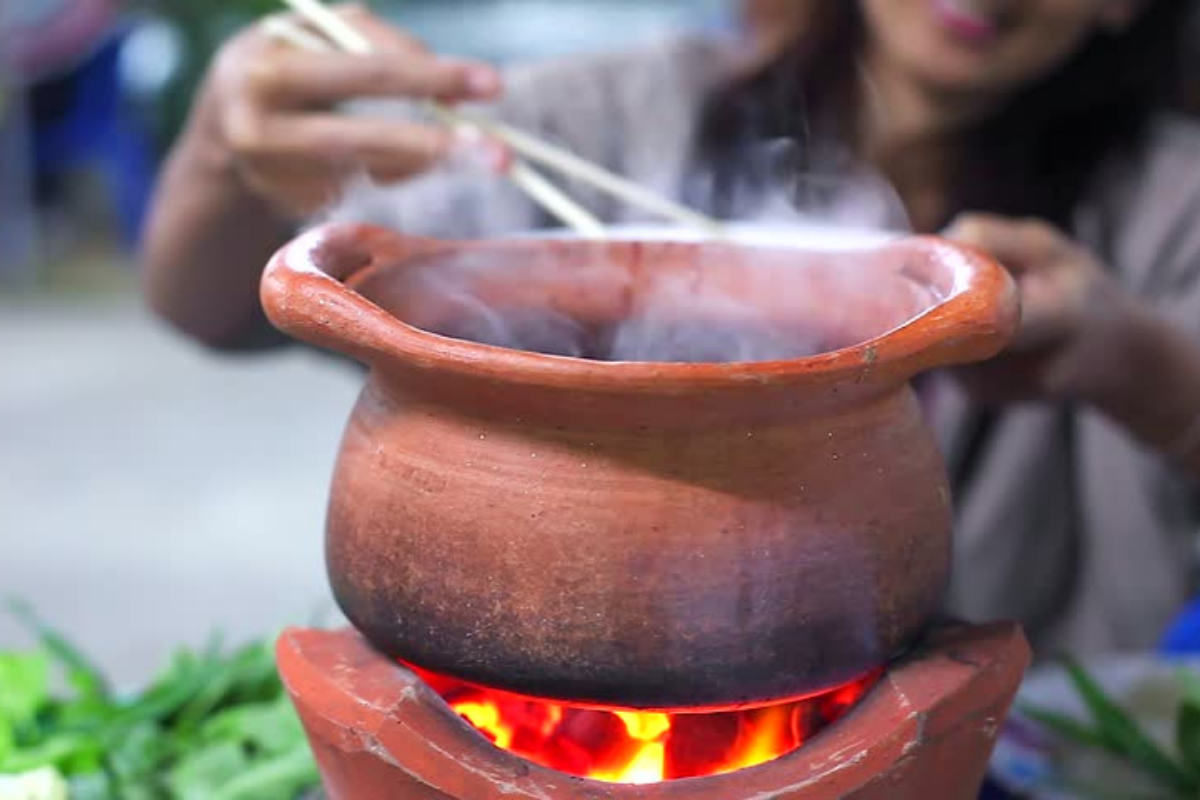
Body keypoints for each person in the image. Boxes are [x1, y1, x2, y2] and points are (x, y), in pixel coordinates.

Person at [143, 0, 1200, 658]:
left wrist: (1134, 357)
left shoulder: (1170, 201)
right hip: (522, 642)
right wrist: (229, 145)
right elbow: (212, 305)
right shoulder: (629, 115)